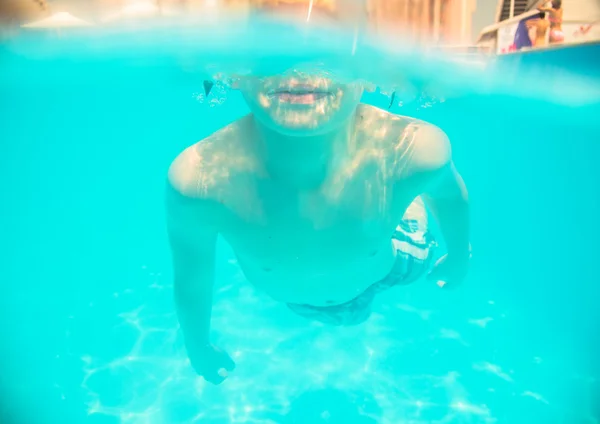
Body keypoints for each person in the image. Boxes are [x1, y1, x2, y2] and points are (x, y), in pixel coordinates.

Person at [166, 0, 471, 385]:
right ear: (237, 70)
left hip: (390, 268)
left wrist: (459, 256)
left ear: (370, 68)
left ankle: (406, 207)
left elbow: (449, 196)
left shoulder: (414, 150)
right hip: (297, 300)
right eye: (273, 41)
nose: (299, 65)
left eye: (329, 41)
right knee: (339, 312)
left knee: (410, 215)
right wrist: (198, 345)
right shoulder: (199, 181)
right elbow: (192, 275)